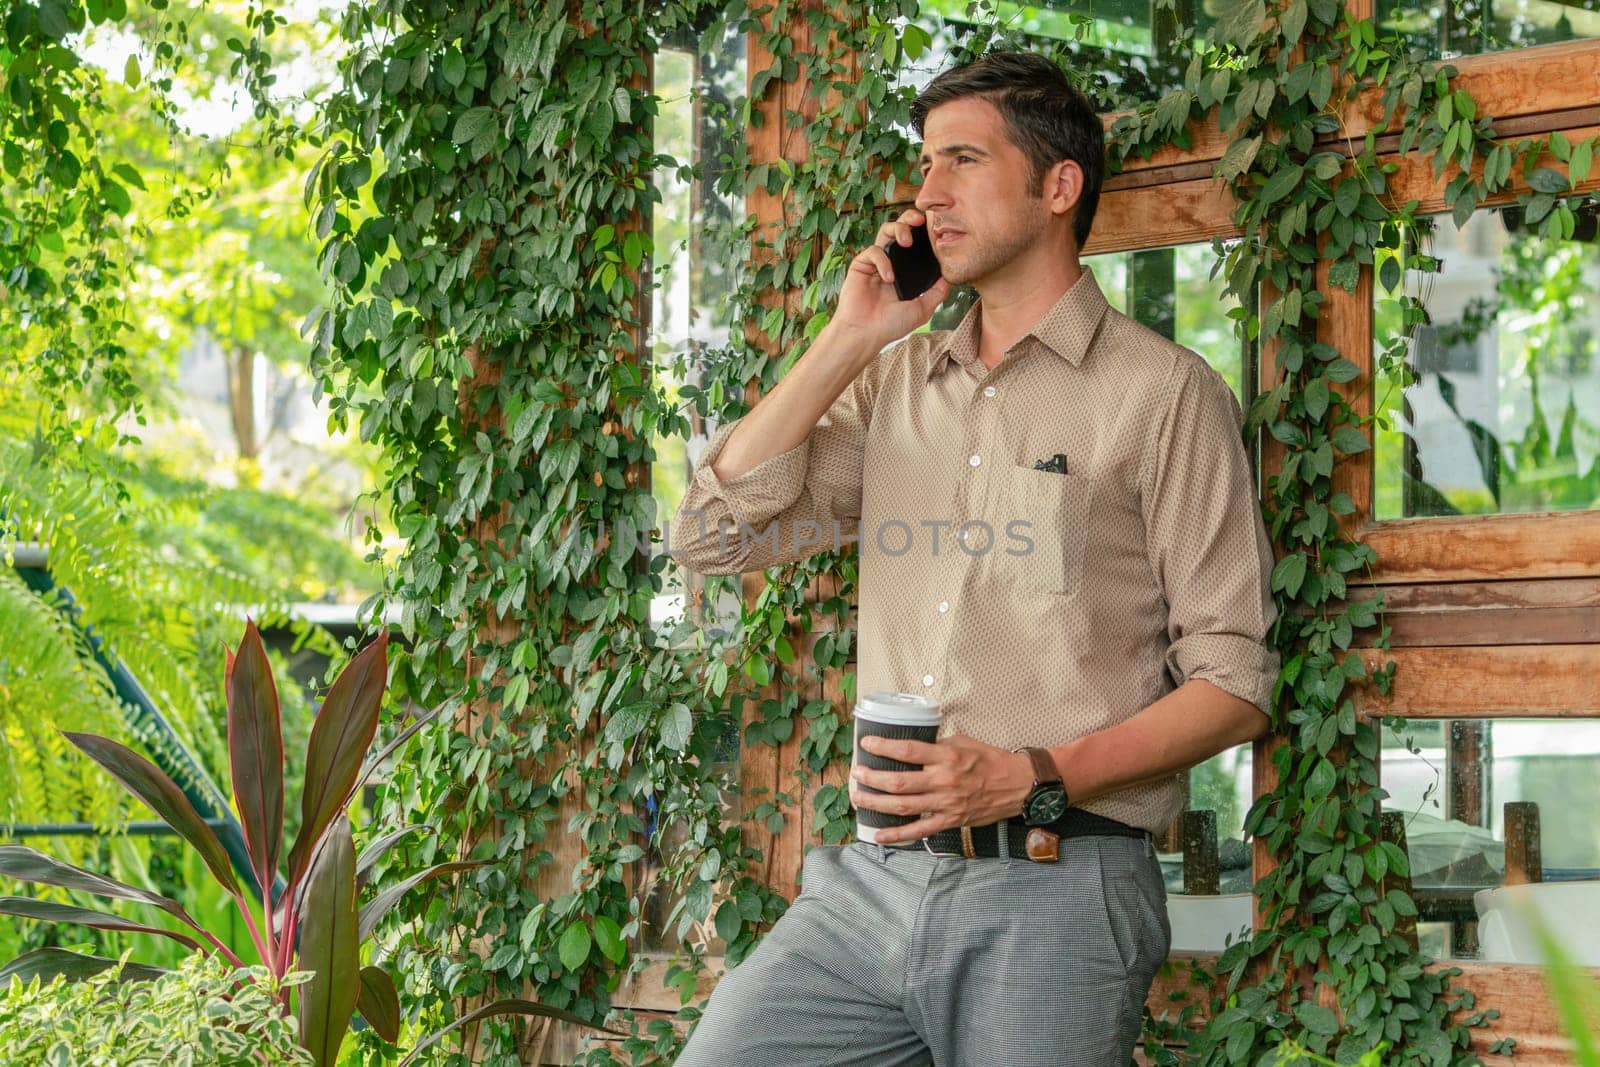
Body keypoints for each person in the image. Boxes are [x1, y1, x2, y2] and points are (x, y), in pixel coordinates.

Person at [664, 50, 1280, 1067]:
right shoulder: (896, 380)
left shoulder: (1163, 395)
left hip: (1058, 883)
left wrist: (1026, 776)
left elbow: (1234, 683)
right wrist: (848, 338)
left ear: (1057, 186)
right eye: (924, 165)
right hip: (870, 886)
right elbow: (710, 533)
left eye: (960, 160)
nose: (926, 193)